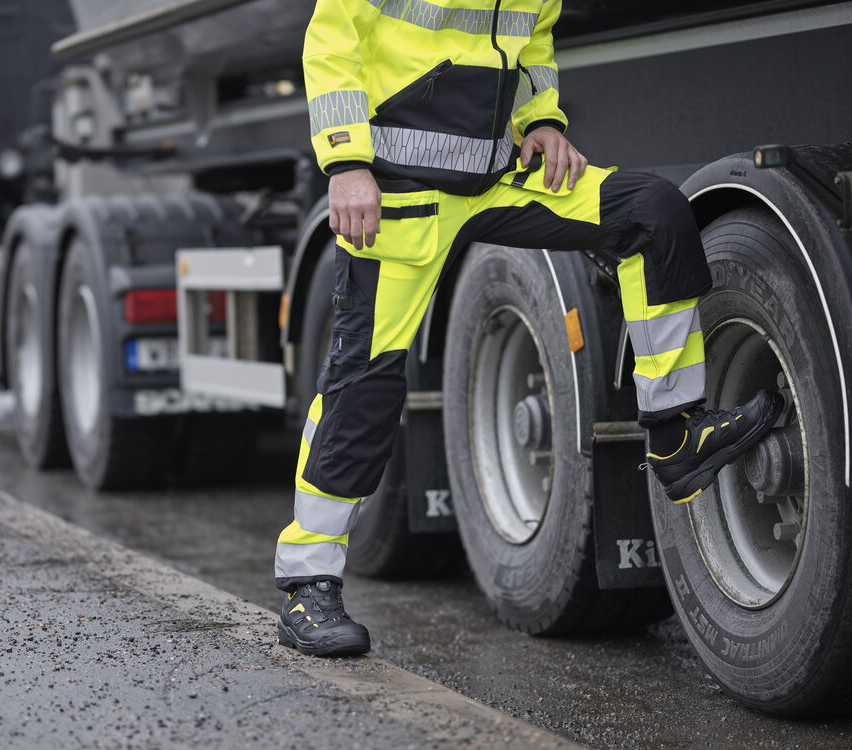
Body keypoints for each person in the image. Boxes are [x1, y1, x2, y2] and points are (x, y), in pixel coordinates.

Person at [274, 0, 783, 658]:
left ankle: (675, 433)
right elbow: (332, 38)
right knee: (363, 386)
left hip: (497, 179)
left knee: (653, 213)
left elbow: (531, 38)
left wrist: (540, 120)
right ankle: (307, 583)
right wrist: (346, 163)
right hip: (402, 191)